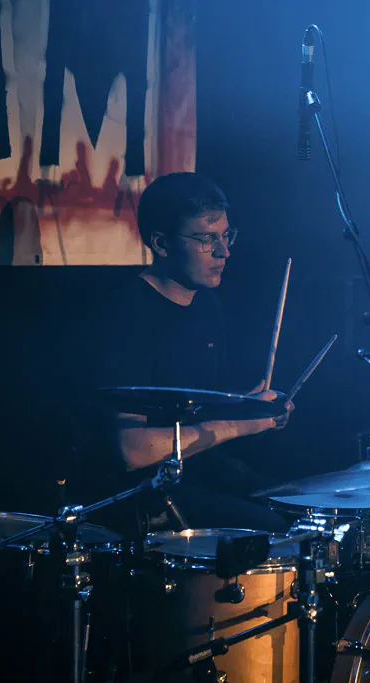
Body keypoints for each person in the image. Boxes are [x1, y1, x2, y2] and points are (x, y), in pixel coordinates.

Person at [72, 172, 293, 537]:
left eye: (226, 235)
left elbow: (202, 414)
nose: (224, 251)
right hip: (144, 493)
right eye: (207, 239)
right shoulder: (123, 315)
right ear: (162, 243)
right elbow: (131, 449)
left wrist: (253, 409)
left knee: (300, 505)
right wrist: (242, 426)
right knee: (271, 529)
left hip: (202, 475)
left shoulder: (208, 306)